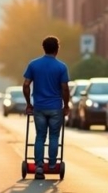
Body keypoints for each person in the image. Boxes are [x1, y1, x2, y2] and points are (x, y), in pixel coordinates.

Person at [22, 36, 71, 180]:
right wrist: (66, 105)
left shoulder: (34, 65)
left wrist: (28, 103)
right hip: (55, 108)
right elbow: (65, 88)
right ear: (57, 49)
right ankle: (51, 164)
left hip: (39, 107)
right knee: (54, 136)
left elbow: (26, 85)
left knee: (40, 137)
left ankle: (38, 166)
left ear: (43, 48)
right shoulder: (61, 67)